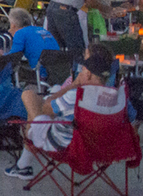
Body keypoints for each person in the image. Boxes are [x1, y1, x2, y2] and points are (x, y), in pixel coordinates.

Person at [6, 46, 114, 180]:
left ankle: (23, 164)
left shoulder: (76, 95)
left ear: (88, 74)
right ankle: (23, 165)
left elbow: (46, 108)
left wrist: (74, 84)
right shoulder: (115, 96)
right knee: (48, 98)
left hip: (64, 144)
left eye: (83, 69)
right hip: (99, 145)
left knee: (28, 96)